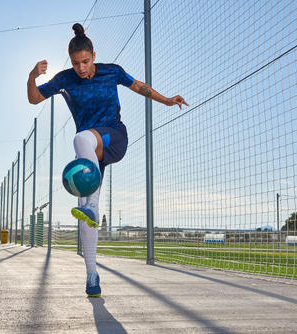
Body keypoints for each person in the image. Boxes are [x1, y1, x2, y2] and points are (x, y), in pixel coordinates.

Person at [27, 23, 188, 297]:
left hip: (114, 138)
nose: (81, 68)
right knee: (84, 211)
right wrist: (32, 75)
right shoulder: (65, 79)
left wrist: (167, 101)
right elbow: (33, 98)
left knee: (80, 139)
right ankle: (92, 275)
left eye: (86, 61)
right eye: (76, 63)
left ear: (93, 55)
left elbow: (139, 86)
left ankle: (90, 205)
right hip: (91, 157)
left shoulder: (111, 71)